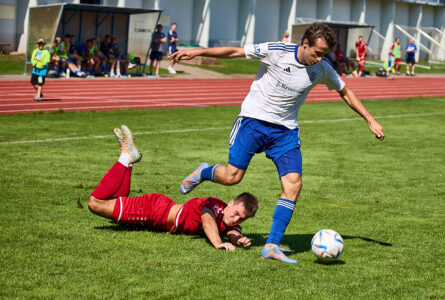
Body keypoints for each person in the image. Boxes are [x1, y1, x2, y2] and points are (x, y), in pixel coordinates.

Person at [169, 22, 385, 263]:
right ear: (305, 44)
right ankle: (204, 171)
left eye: (324, 55)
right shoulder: (277, 51)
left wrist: (370, 120)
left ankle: (271, 245)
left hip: (285, 132)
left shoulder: (322, 67)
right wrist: (197, 52)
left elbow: (345, 91)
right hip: (254, 122)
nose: (320, 59)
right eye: (316, 53)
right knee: (232, 177)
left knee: (293, 184)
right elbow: (235, 52)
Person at [88, 125, 259, 251]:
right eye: (236, 213)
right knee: (95, 203)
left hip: (159, 212)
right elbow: (207, 220)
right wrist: (218, 243)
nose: (236, 219)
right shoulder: (216, 206)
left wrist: (240, 240)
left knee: (113, 202)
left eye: (241, 219)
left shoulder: (228, 221)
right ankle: (126, 158)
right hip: (153, 211)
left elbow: (233, 233)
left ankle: (128, 159)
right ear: (230, 203)